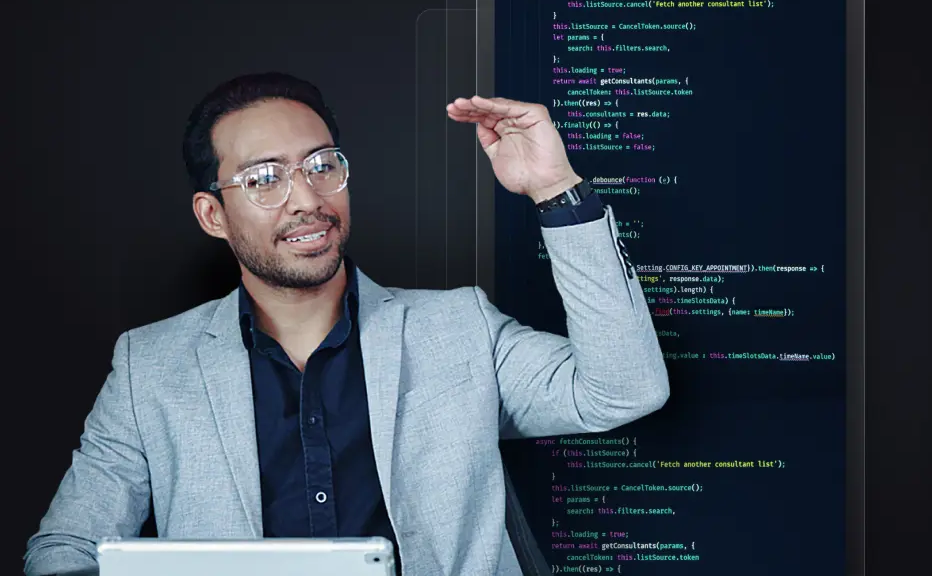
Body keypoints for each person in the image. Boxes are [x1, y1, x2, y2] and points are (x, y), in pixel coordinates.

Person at [24, 72, 669, 576]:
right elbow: (64, 546)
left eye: (321, 164)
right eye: (264, 178)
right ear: (213, 215)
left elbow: (626, 389)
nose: (306, 198)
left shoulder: (459, 328)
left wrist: (556, 189)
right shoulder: (150, 367)